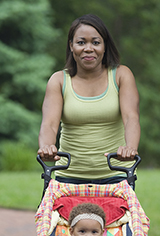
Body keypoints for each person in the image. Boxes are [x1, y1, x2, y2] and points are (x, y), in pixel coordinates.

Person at [37, 13, 140, 184]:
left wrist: (130, 148)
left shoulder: (121, 75)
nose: (88, 48)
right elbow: (49, 124)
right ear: (71, 46)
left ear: (105, 46)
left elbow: (131, 117)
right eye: (81, 42)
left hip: (116, 175)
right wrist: (47, 147)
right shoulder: (59, 80)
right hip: (68, 176)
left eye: (96, 42)